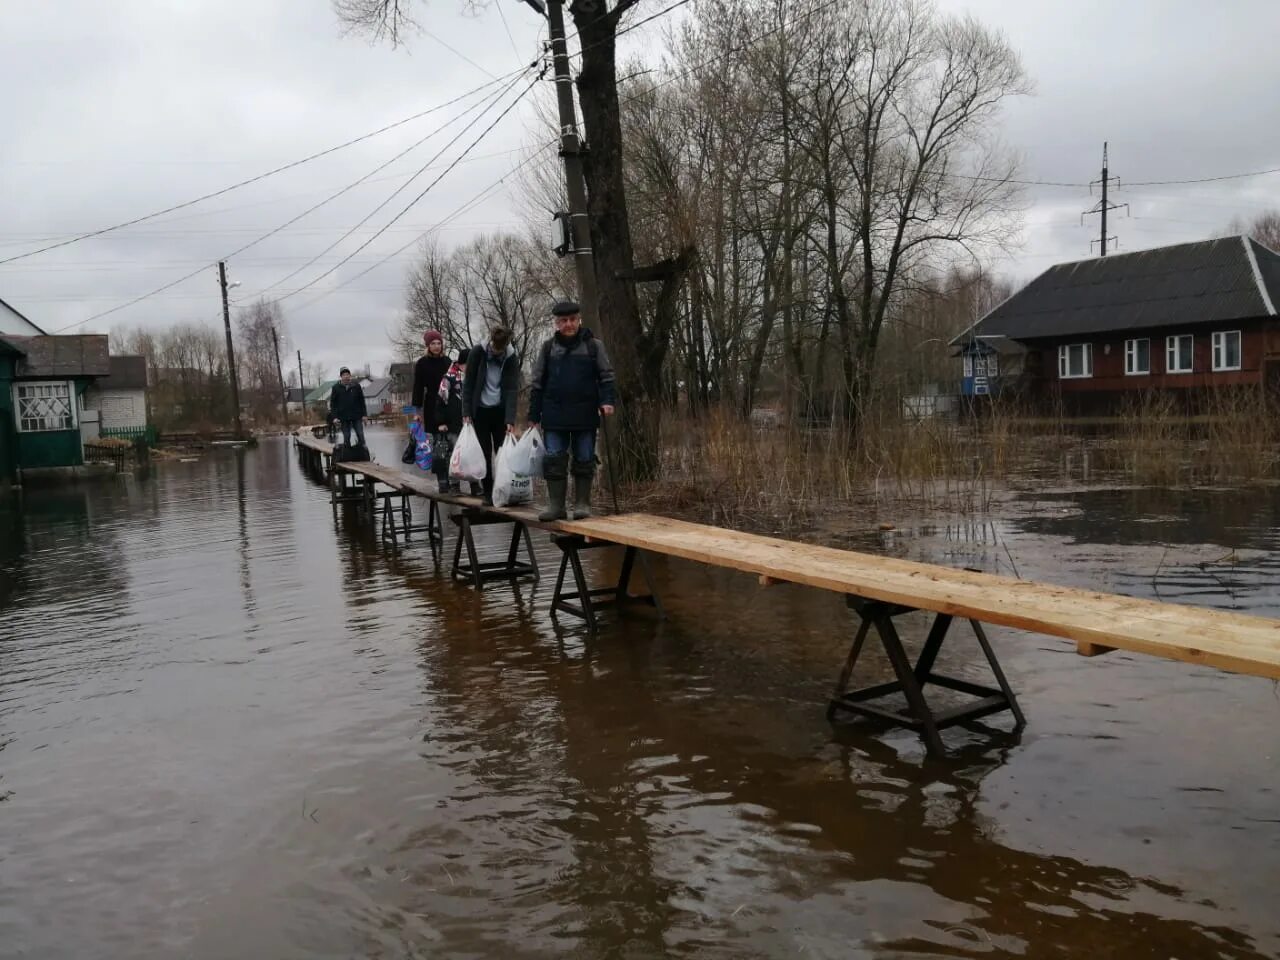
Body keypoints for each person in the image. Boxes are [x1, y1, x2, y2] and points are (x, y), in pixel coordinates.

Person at [528, 300, 616, 521]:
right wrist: (533, 415)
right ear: (557, 323)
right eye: (563, 321)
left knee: (585, 459)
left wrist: (607, 401)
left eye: (572, 320)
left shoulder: (594, 346)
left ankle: (582, 504)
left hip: (585, 413)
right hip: (554, 413)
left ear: (579, 320)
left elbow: (607, 377)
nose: (569, 324)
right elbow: (537, 383)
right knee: (554, 460)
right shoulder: (548, 348)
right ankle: (556, 506)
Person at [461, 327, 520, 505]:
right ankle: (488, 493)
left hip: (500, 412)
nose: (497, 352)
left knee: (503, 453)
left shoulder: (510, 357)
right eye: (495, 348)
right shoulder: (477, 352)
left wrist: (510, 419)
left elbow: (511, 389)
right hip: (480, 411)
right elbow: (468, 384)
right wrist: (466, 413)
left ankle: (504, 491)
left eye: (500, 350)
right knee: (485, 454)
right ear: (491, 341)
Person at [411, 329, 453, 485]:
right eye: (433, 344)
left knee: (451, 442)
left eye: (439, 343)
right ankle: (442, 478)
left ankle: (453, 477)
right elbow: (418, 388)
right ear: (428, 346)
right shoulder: (422, 364)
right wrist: (417, 411)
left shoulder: (448, 362)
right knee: (437, 443)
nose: (436, 346)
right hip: (431, 405)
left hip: (448, 404)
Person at [434, 349, 469, 494]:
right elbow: (441, 401)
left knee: (471, 453)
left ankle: (474, 483)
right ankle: (455, 485)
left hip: (470, 424)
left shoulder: (472, 377)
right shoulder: (448, 378)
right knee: (454, 454)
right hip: (453, 423)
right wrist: (441, 422)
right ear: (462, 363)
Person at [327, 367, 368, 448]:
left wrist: (364, 415)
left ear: (350, 376)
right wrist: (334, 417)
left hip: (356, 415)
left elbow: (362, 401)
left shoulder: (356, 386)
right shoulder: (336, 388)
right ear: (341, 376)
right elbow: (333, 404)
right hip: (343, 417)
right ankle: (347, 455)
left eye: (347, 374)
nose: (346, 376)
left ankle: (363, 453)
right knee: (347, 436)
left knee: (360, 434)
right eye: (344, 375)